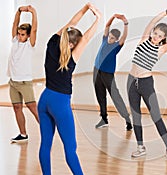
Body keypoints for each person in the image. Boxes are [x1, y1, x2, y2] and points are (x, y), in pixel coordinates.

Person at [37, 3, 101, 174]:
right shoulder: (71, 58)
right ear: (73, 45)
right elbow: (86, 38)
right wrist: (98, 19)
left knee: (45, 145)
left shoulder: (52, 42)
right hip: (60, 103)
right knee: (70, 149)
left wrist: (84, 9)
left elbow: (70, 24)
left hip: (44, 99)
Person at [127, 8, 167, 161]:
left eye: (160, 36)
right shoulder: (143, 39)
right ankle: (140, 147)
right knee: (136, 116)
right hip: (131, 81)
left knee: (156, 116)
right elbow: (152, 21)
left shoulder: (161, 49)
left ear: (163, 38)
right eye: (155, 33)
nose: (155, 37)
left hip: (146, 83)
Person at [93, 14, 132, 130]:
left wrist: (125, 23)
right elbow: (107, 26)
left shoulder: (117, 46)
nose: (109, 39)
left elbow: (124, 37)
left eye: (112, 38)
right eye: (109, 37)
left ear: (116, 40)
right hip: (96, 71)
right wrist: (113, 17)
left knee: (115, 97)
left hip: (107, 74)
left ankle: (127, 120)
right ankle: (104, 119)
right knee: (100, 95)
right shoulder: (105, 39)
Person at [7, 5, 39, 143]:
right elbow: (15, 23)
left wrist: (33, 13)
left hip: (25, 82)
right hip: (13, 82)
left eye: (22, 34)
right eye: (19, 34)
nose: (19, 36)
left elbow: (35, 29)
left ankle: (47, 130)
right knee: (17, 107)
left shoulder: (29, 44)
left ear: (28, 35)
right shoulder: (15, 41)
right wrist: (19, 11)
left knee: (32, 107)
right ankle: (23, 134)